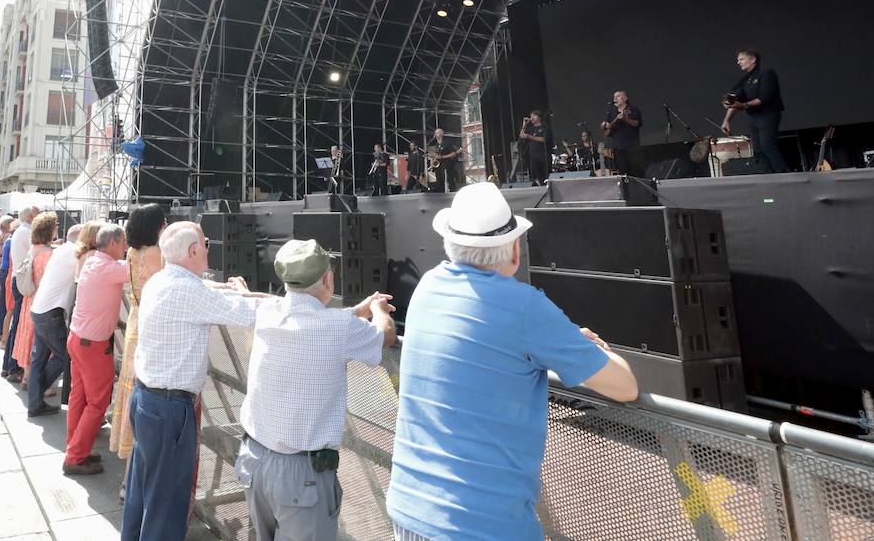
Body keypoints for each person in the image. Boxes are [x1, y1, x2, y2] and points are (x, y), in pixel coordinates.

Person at [388, 182, 638, 541]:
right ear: (515, 251)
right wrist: (579, 347)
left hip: (409, 511)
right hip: (481, 527)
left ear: (450, 243)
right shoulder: (525, 308)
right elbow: (626, 387)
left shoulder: (427, 286)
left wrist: (554, 342)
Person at [236, 238, 396, 541]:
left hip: (254, 459)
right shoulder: (337, 328)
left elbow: (316, 319)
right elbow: (384, 336)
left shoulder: (268, 311)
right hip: (302, 476)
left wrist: (356, 310)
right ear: (327, 278)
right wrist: (377, 310)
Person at [121, 222, 260, 540]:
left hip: (148, 401)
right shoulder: (187, 290)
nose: (208, 248)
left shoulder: (163, 280)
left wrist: (228, 290)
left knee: (143, 492)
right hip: (169, 408)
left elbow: (206, 293)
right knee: (167, 502)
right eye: (206, 242)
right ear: (194, 250)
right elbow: (248, 312)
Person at [108, 205, 168, 499]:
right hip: (150, 330)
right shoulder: (157, 255)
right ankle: (133, 483)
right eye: (163, 221)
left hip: (134, 323)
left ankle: (127, 481)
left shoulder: (132, 253)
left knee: (132, 394)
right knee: (144, 400)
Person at [64, 222, 130, 477]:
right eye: (123, 242)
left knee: (78, 397)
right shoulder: (109, 267)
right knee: (98, 402)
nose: (125, 247)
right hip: (93, 344)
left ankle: (76, 448)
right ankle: (75, 456)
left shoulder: (93, 261)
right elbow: (141, 267)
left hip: (78, 338)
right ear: (113, 243)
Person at [27, 222, 82, 418]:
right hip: (50, 312)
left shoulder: (62, 250)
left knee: (39, 360)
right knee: (63, 356)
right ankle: (36, 394)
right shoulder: (74, 252)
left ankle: (35, 402)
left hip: (40, 309)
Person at [722, 47, 788, 173]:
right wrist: (727, 119)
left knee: (767, 145)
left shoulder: (767, 73)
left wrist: (744, 105)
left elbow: (764, 98)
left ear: (752, 59)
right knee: (758, 149)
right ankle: (767, 174)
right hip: (754, 118)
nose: (738, 62)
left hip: (768, 115)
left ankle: (783, 172)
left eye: (741, 59)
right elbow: (736, 99)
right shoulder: (745, 80)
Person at [13, 212, 57, 392]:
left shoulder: (34, 248)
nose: (57, 228)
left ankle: (26, 376)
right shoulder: (48, 254)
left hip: (29, 299)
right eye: (55, 226)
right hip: (42, 300)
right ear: (49, 230)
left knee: (27, 336)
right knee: (39, 342)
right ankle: (37, 383)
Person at [3, 205, 38, 379]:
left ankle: (9, 365)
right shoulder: (26, 232)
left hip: (18, 278)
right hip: (22, 281)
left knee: (17, 323)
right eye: (37, 215)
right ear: (31, 216)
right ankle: (13, 367)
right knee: (18, 324)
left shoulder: (21, 230)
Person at [601, 91, 642, 176]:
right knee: (623, 172)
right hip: (618, 147)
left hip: (631, 145)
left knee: (635, 170)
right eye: (614, 97)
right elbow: (607, 129)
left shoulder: (632, 110)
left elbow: (637, 123)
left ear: (625, 98)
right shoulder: (611, 112)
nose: (615, 98)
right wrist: (604, 125)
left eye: (618, 96)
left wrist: (625, 119)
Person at [429, 128, 465, 194]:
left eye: (437, 133)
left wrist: (442, 157)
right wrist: (433, 159)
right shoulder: (435, 144)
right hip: (438, 165)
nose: (436, 134)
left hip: (446, 164)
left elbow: (453, 154)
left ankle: (451, 191)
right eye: (435, 133)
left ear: (442, 134)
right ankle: (440, 191)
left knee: (447, 178)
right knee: (439, 179)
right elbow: (433, 155)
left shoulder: (447, 143)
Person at [519, 110, 549, 185]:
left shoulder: (544, 127)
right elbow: (521, 135)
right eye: (531, 116)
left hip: (543, 155)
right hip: (533, 156)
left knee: (546, 176)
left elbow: (543, 139)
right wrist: (524, 125)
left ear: (539, 117)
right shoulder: (530, 129)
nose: (531, 118)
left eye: (534, 116)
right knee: (537, 177)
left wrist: (529, 136)